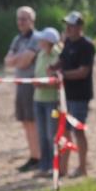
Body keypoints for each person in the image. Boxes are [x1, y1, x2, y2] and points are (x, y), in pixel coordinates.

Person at [54, 11, 94, 177]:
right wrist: (54, 68)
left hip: (80, 95)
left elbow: (83, 72)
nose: (68, 28)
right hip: (66, 94)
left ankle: (82, 167)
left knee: (78, 131)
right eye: (67, 25)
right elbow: (62, 61)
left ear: (79, 27)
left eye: (71, 25)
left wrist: (63, 75)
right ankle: (63, 168)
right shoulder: (68, 43)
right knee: (64, 131)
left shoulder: (86, 46)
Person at [4, 7, 41, 172]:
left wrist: (16, 59)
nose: (21, 22)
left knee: (33, 122)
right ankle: (34, 156)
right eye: (19, 19)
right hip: (21, 84)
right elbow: (7, 61)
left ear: (32, 20)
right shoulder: (17, 39)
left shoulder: (36, 37)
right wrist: (18, 59)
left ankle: (39, 156)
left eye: (24, 19)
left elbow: (25, 61)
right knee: (26, 122)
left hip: (32, 85)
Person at [32, 27, 62, 177]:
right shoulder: (41, 54)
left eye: (43, 40)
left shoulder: (58, 56)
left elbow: (59, 80)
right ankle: (44, 166)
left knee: (52, 134)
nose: (40, 42)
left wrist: (43, 84)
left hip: (52, 100)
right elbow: (38, 74)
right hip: (38, 99)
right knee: (42, 134)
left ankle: (54, 165)